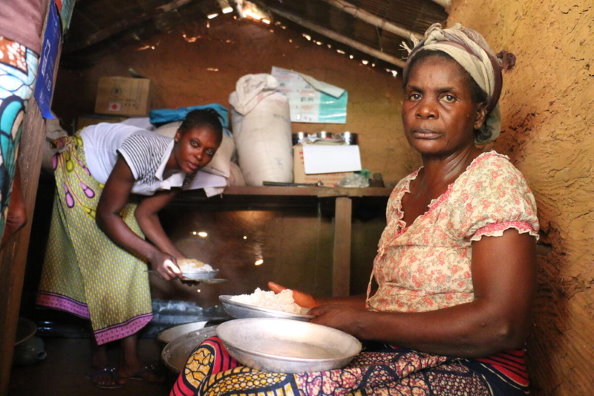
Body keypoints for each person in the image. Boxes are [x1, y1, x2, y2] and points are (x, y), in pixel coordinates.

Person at [170, 23, 539, 396]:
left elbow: (502, 324)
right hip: (399, 351)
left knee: (265, 389)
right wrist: (315, 306)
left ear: (478, 114)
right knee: (215, 353)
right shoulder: (405, 190)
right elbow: (393, 299)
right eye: (415, 94)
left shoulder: (492, 181)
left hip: (471, 366)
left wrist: (362, 324)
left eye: (447, 97)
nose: (425, 109)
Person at [37, 108, 223, 389]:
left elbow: (145, 214)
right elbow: (106, 215)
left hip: (111, 189)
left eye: (209, 151)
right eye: (194, 144)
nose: (200, 156)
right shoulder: (143, 150)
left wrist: (179, 259)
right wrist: (154, 254)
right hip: (83, 166)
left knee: (135, 264)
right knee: (105, 262)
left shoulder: (185, 173)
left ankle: (129, 361)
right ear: (179, 136)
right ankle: (100, 356)